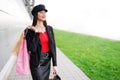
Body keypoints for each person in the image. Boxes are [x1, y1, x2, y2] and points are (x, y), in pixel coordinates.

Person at [25, 4, 57, 80]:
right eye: (41, 12)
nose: (44, 14)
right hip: (36, 63)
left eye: (45, 12)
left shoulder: (49, 29)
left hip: (47, 62)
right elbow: (32, 49)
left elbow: (53, 47)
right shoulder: (30, 31)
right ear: (36, 14)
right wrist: (36, 32)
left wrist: (55, 65)